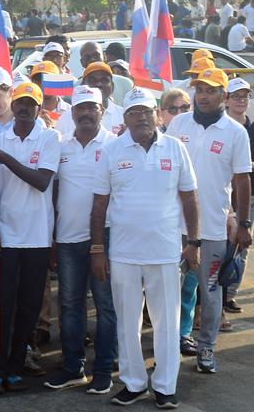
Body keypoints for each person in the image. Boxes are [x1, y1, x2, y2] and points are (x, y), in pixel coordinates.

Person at [91, 87, 199, 408]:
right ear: (124, 119)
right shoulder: (112, 151)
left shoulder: (176, 148)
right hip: (123, 252)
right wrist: (97, 248)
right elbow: (99, 205)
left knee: (167, 321)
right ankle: (134, 383)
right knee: (127, 321)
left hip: (166, 251)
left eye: (146, 111)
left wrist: (193, 241)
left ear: (157, 114)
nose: (141, 117)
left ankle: (165, 386)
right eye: (134, 112)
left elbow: (190, 197)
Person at [0, 82, 60, 396]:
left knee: (29, 307)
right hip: (6, 238)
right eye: (19, 102)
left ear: (39, 107)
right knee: (2, 309)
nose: (23, 108)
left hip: (37, 237)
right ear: (13, 105)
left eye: (30, 103)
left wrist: (4, 159)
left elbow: (40, 181)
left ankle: (14, 364)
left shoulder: (50, 138)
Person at [166, 67, 252, 373]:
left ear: (224, 96)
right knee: (168, 292)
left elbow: (242, 182)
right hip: (172, 227)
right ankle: (168, 348)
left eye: (211, 90)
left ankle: (206, 349)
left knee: (211, 290)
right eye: (199, 90)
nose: (203, 96)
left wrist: (243, 223)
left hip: (213, 228)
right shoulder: (178, 123)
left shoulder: (235, 132)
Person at [43, 86, 117, 394]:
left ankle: (104, 369)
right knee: (70, 305)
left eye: (92, 108)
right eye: (81, 108)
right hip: (69, 238)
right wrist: (53, 235)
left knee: (105, 306)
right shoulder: (61, 146)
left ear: (101, 111)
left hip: (107, 238)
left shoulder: (115, 144)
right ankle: (73, 368)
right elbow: (54, 191)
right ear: (71, 113)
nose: (86, 113)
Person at [222, 79, 254, 316]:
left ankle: (230, 295)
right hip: (224, 195)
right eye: (236, 96)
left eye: (245, 96)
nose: (241, 100)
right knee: (222, 246)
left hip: (250, 195)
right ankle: (215, 295)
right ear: (226, 100)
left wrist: (242, 164)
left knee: (242, 247)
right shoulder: (220, 126)